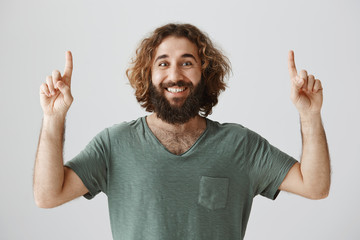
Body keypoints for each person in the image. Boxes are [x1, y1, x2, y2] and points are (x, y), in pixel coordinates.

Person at [34, 23, 330, 240]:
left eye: (187, 63)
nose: (175, 75)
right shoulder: (114, 144)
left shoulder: (240, 145)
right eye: (163, 64)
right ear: (148, 76)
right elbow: (47, 196)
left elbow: (315, 186)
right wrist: (53, 117)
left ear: (205, 73)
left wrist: (309, 115)